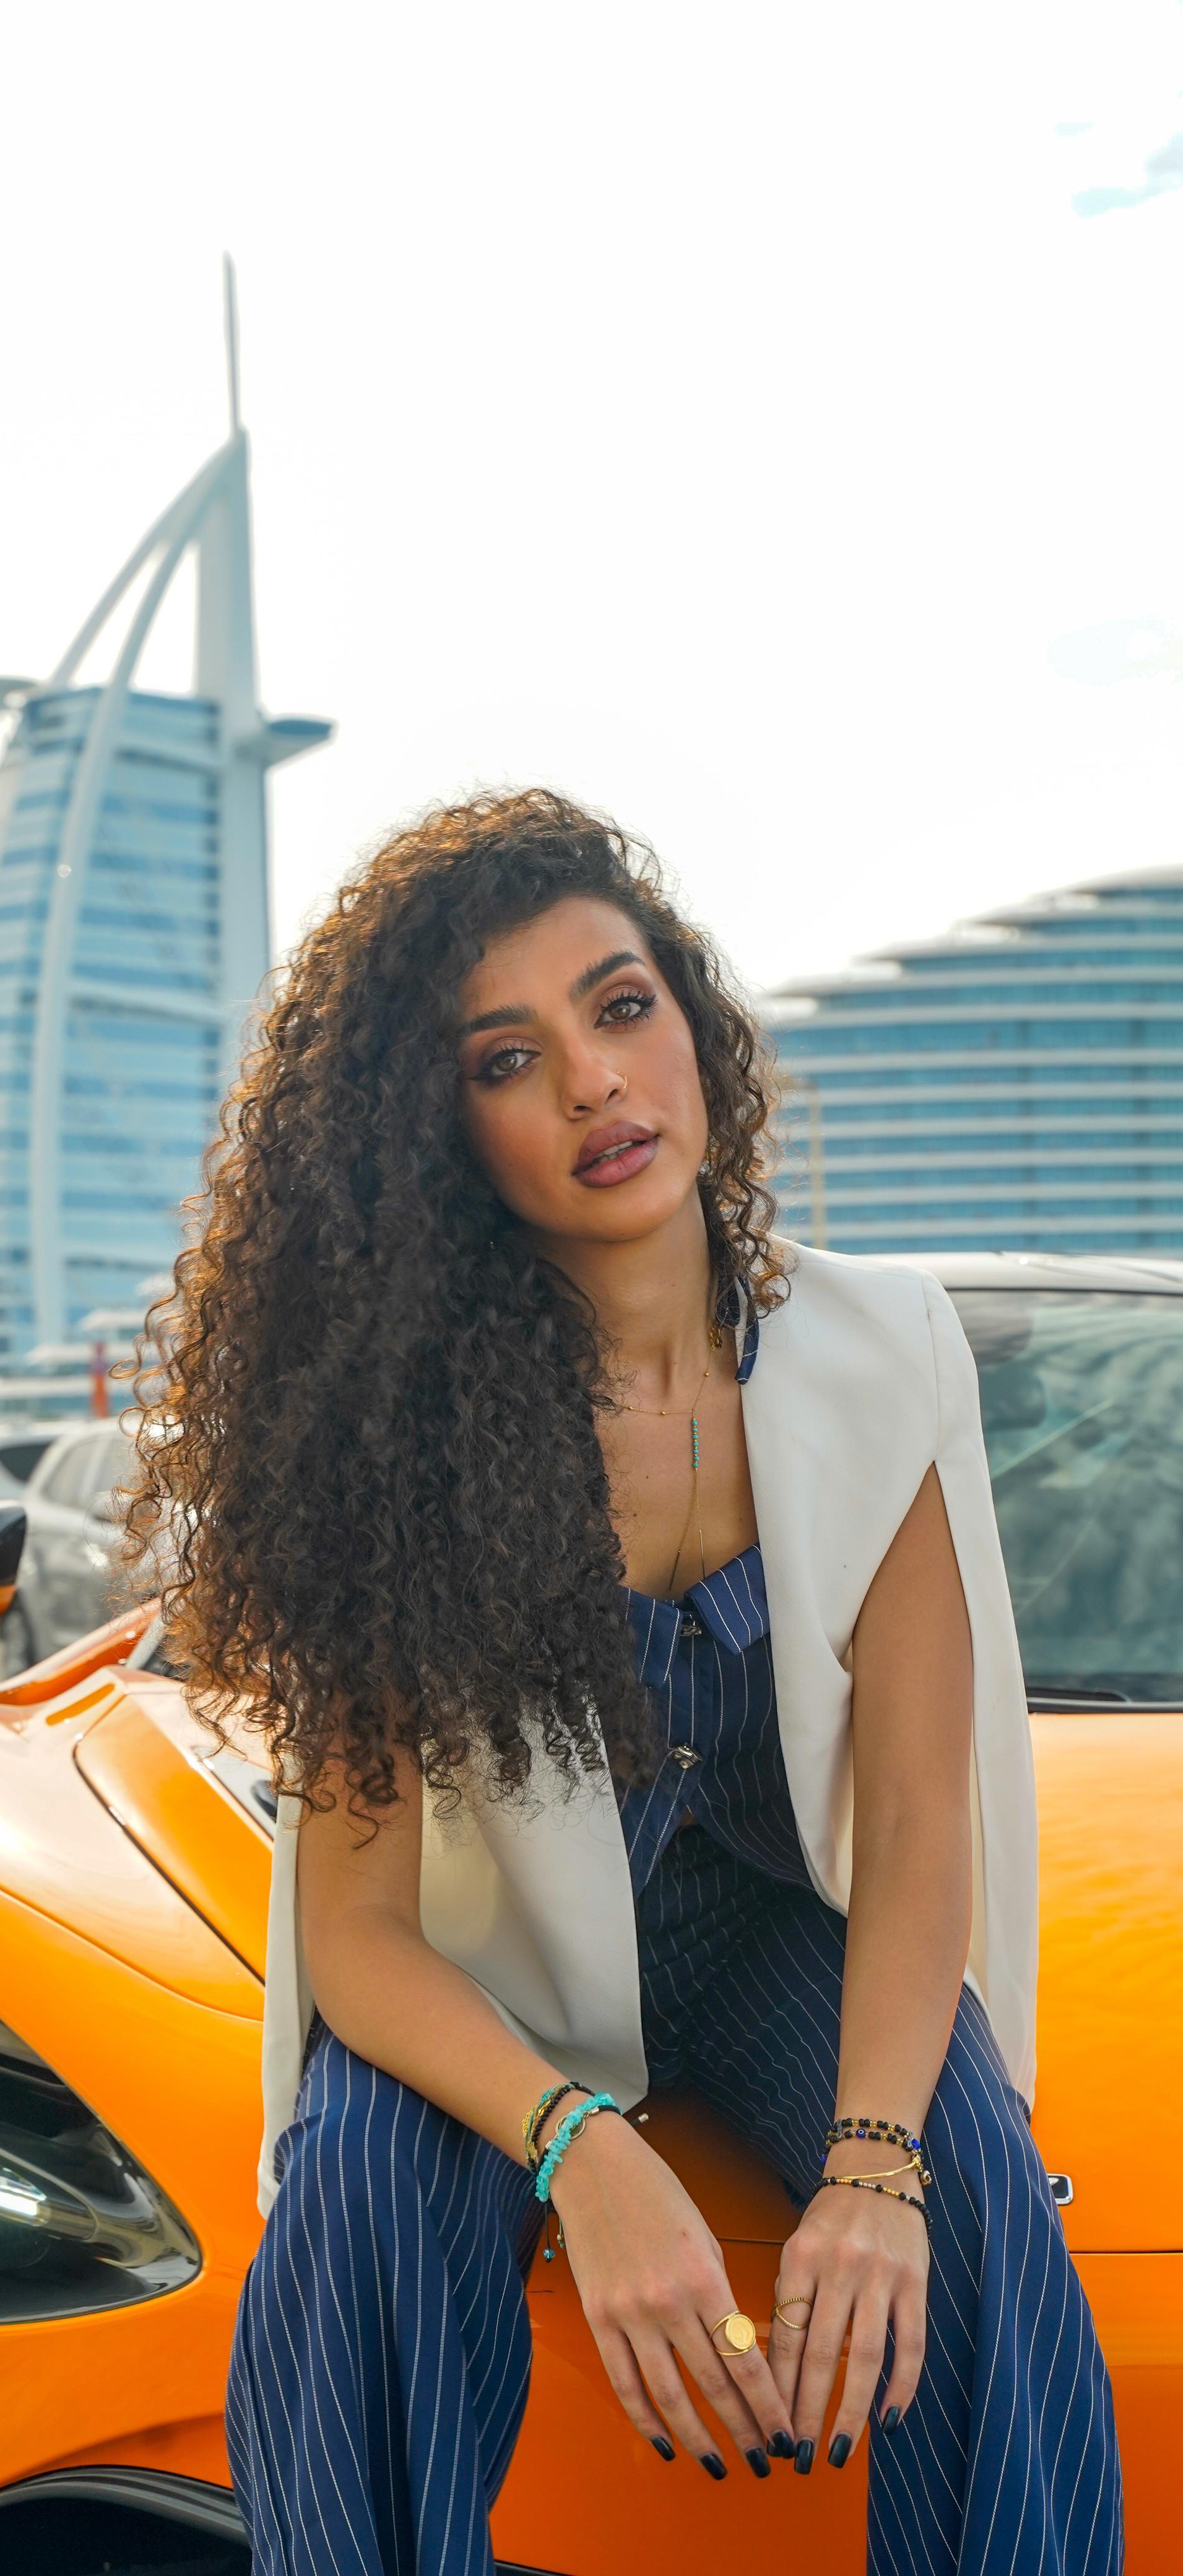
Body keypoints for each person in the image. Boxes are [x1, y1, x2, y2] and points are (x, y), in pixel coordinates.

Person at [126, 791, 1122, 2576]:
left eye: (622, 1006)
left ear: (696, 1026)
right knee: (355, 2198)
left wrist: (873, 2169)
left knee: (963, 2187)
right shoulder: (389, 1429)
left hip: (771, 1928)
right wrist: (584, 2150)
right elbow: (358, 1930)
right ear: (445, 1134)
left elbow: (919, 1816)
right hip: (484, 1973)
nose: (595, 1083)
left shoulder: (881, 1350)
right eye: (509, 1059)